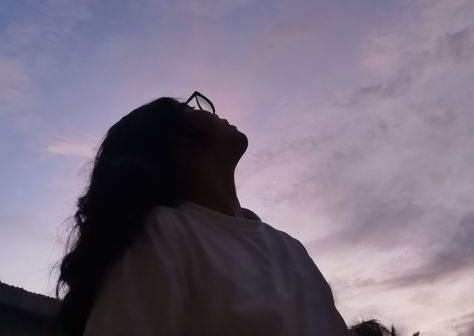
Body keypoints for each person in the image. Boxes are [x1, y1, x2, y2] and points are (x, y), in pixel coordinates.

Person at [54, 92, 348, 335]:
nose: (209, 110)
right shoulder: (163, 233)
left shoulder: (291, 248)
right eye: (188, 107)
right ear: (171, 141)